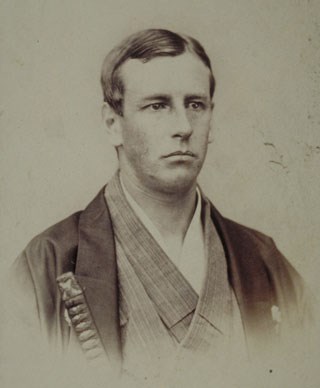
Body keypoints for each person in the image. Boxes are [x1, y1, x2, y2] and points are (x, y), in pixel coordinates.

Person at [6, 29, 313, 385]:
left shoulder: (264, 262)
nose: (183, 127)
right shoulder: (47, 263)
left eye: (195, 105)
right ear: (112, 124)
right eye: (157, 105)